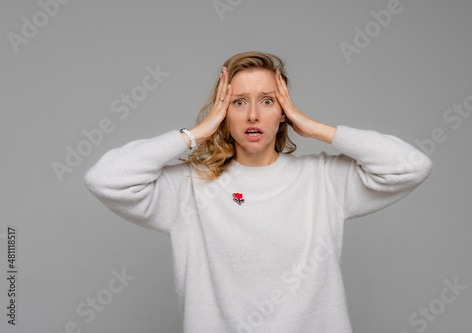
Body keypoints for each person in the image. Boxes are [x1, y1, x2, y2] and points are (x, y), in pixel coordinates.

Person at [84, 51, 433, 333]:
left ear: (284, 111)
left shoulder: (323, 179)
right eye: (238, 102)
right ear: (223, 112)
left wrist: (316, 129)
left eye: (267, 101)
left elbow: (411, 165)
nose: (253, 115)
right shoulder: (190, 187)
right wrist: (194, 134)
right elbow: (104, 179)